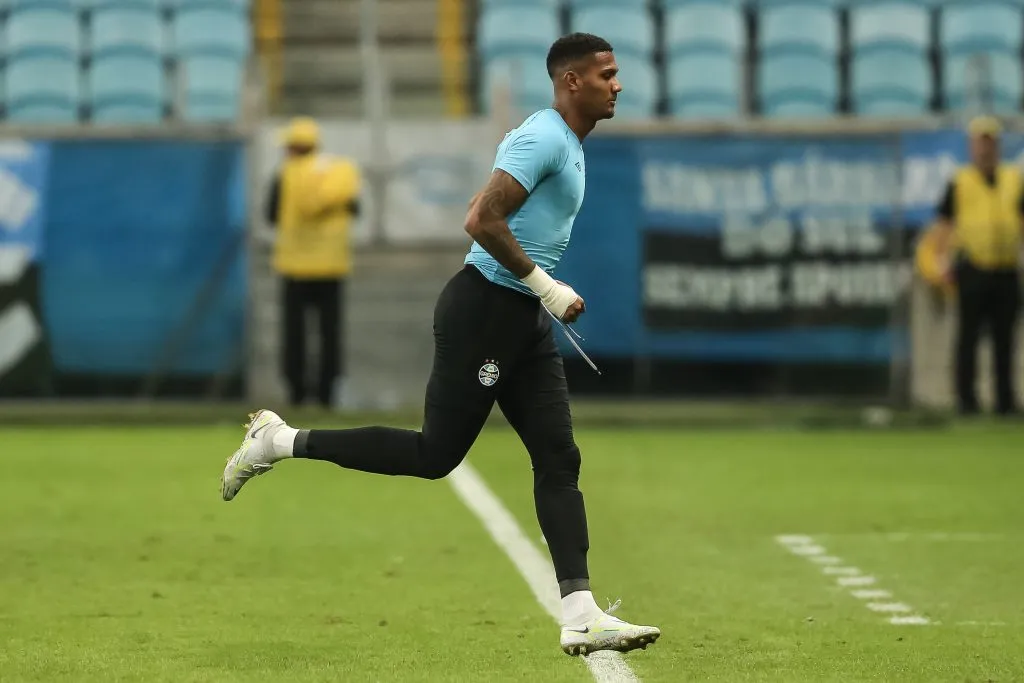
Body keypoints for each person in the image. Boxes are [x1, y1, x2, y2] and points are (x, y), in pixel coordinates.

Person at [222, 33, 661, 656]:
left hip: (522, 320)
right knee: (436, 454)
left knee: (559, 458)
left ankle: (581, 611)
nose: (617, 84)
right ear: (571, 81)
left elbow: (498, 215)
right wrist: (546, 286)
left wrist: (538, 293)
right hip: (484, 310)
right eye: (607, 74)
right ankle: (280, 441)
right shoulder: (545, 136)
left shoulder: (566, 140)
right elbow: (480, 218)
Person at [265, 117, 361, 408]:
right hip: (331, 267)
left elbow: (270, 215)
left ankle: (296, 393)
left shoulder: (283, 175)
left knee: (295, 335)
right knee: (330, 334)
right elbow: (355, 208)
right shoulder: (340, 172)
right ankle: (326, 394)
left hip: (294, 267)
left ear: (294, 147)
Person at [934, 116, 1021, 417]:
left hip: (1006, 267)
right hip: (972, 266)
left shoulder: (1014, 179)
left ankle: (1005, 402)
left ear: (998, 144)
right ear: (972, 146)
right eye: (980, 142)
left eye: (990, 141)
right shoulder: (960, 181)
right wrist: (941, 260)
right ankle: (966, 401)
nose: (985, 148)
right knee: (968, 338)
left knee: (1004, 340)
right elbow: (944, 225)